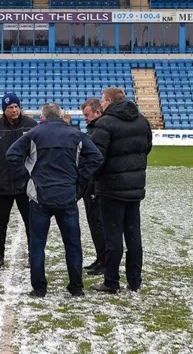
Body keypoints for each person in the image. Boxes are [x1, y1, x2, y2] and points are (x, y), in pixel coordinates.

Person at [6, 103, 103, 297]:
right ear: (62, 116)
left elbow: (11, 155)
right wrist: (79, 181)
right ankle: (76, 287)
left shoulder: (33, 134)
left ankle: (39, 288)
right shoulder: (76, 134)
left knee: (37, 244)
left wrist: (28, 178)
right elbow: (96, 158)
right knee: (73, 244)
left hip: (40, 197)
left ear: (42, 117)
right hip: (67, 196)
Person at [89, 87, 152, 294]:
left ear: (107, 101)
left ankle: (111, 280)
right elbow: (147, 147)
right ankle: (135, 280)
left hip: (111, 188)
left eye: (102, 100)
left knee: (113, 236)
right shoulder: (142, 121)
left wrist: (97, 179)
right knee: (134, 234)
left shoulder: (105, 123)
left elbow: (96, 157)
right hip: (135, 186)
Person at [0, 93, 38, 267]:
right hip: (2, 185)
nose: (14, 110)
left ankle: (33, 254)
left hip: (25, 184)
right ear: (3, 110)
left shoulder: (31, 126)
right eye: (9, 108)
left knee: (32, 222)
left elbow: (39, 151)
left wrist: (32, 173)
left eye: (16, 106)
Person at [80, 98, 106, 276]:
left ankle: (105, 260)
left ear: (97, 112)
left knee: (99, 223)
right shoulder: (93, 130)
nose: (85, 118)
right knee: (93, 223)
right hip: (89, 185)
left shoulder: (100, 131)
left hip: (97, 184)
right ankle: (100, 258)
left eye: (87, 115)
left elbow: (97, 159)